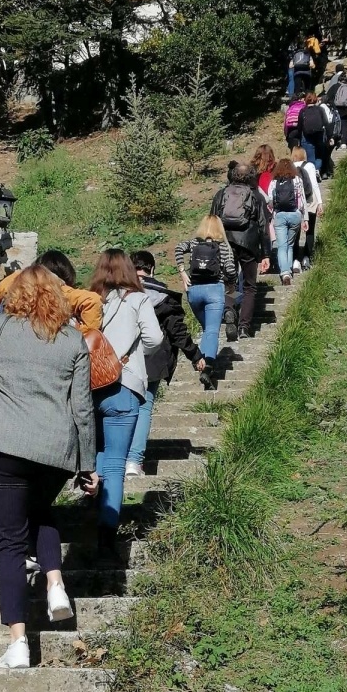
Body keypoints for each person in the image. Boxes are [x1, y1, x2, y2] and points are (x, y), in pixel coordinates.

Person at [0, 265, 98, 668]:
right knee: (41, 510)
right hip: (55, 452)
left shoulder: (1, 329)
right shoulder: (73, 341)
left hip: (5, 447)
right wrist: (88, 464)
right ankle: (55, 584)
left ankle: (18, 643)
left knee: (11, 542)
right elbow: (82, 408)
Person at [90, 250, 164, 556]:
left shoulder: (89, 300)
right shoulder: (138, 299)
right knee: (118, 461)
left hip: (90, 385)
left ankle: (90, 511)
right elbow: (155, 339)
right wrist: (134, 358)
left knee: (97, 453)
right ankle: (107, 529)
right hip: (124, 383)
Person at [125, 251, 207, 475]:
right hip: (152, 361)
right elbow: (177, 331)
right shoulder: (162, 296)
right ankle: (134, 461)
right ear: (153, 268)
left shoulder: (117, 294)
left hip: (121, 359)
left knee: (121, 408)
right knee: (144, 406)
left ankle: (113, 459)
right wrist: (195, 355)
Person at [173, 216, 237, 385]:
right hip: (215, 290)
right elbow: (230, 269)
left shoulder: (194, 243)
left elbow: (178, 248)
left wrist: (182, 272)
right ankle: (207, 366)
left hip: (193, 291)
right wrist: (231, 285)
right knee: (211, 331)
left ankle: (199, 359)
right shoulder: (224, 246)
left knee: (206, 328)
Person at [210, 162, 270, 340]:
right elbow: (263, 226)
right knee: (250, 286)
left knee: (229, 282)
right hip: (249, 244)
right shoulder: (256, 196)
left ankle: (229, 309)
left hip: (225, 243)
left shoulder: (221, 194)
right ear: (251, 176)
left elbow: (212, 219)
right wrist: (265, 253)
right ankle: (244, 326)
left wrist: (212, 244)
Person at [0, 249, 102, 332]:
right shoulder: (58, 290)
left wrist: (23, 274)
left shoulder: (20, 289)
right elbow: (92, 300)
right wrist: (83, 335)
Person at [266, 157, 308, 285]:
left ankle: (285, 273)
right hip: (295, 214)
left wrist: (273, 211)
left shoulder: (274, 181)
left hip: (280, 215)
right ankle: (288, 270)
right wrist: (305, 218)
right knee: (290, 244)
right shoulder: (297, 180)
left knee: (282, 246)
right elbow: (303, 200)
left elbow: (269, 200)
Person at [291, 146, 323, 271]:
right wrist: (320, 202)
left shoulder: (289, 166)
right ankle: (306, 258)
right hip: (309, 202)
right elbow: (314, 185)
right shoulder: (309, 166)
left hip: (295, 203)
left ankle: (295, 261)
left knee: (295, 233)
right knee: (310, 231)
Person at [325, 69, 347, 153]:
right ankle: (344, 143)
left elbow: (328, 98)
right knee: (345, 126)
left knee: (335, 125)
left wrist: (333, 105)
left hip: (336, 110)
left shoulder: (334, 87)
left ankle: (335, 140)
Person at [296, 93, 328, 173]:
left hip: (307, 136)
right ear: (315, 99)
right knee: (319, 154)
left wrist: (299, 138)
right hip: (319, 134)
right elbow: (326, 122)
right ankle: (317, 169)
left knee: (310, 156)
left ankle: (312, 172)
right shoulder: (320, 109)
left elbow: (299, 126)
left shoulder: (303, 111)